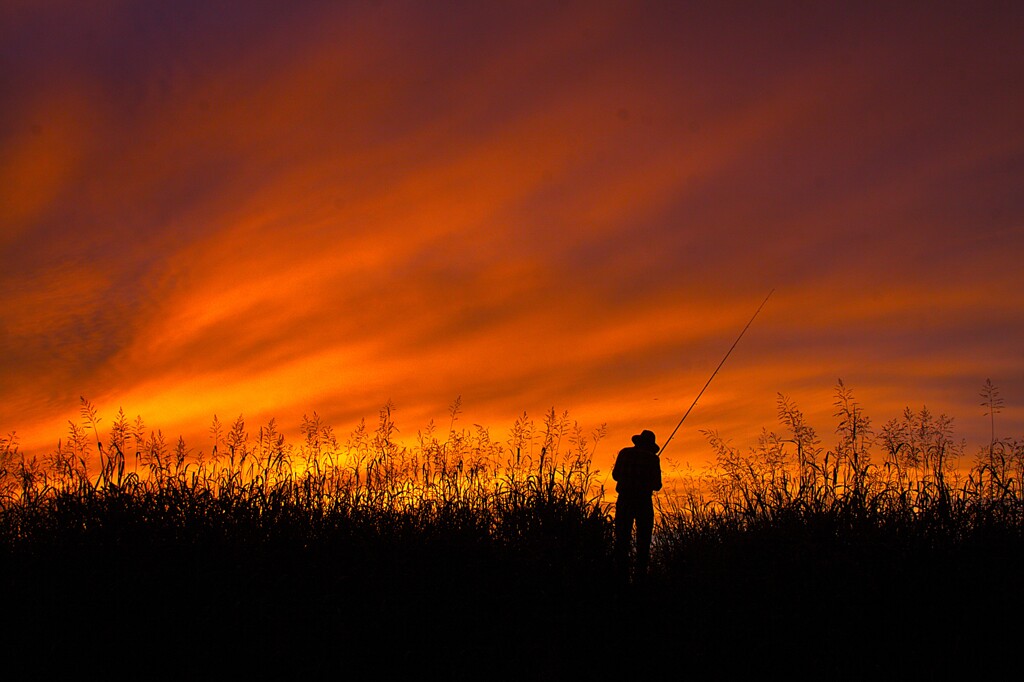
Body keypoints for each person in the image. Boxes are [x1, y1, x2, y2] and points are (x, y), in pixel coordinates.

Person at [612, 429, 663, 581]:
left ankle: (620, 576)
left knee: (622, 538)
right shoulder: (653, 459)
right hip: (643, 503)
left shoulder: (624, 453)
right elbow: (657, 485)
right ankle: (640, 576)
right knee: (644, 540)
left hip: (624, 501)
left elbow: (615, 475)